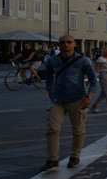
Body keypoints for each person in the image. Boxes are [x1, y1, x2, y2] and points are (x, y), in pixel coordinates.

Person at [42, 35, 98, 171]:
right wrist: (49, 89)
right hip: (58, 99)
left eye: (69, 42)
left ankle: (75, 156)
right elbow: (48, 77)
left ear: (74, 44)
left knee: (78, 129)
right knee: (52, 128)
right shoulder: (52, 61)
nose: (65, 45)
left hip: (77, 98)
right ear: (59, 45)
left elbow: (93, 80)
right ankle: (52, 159)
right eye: (62, 43)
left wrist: (89, 96)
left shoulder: (84, 60)